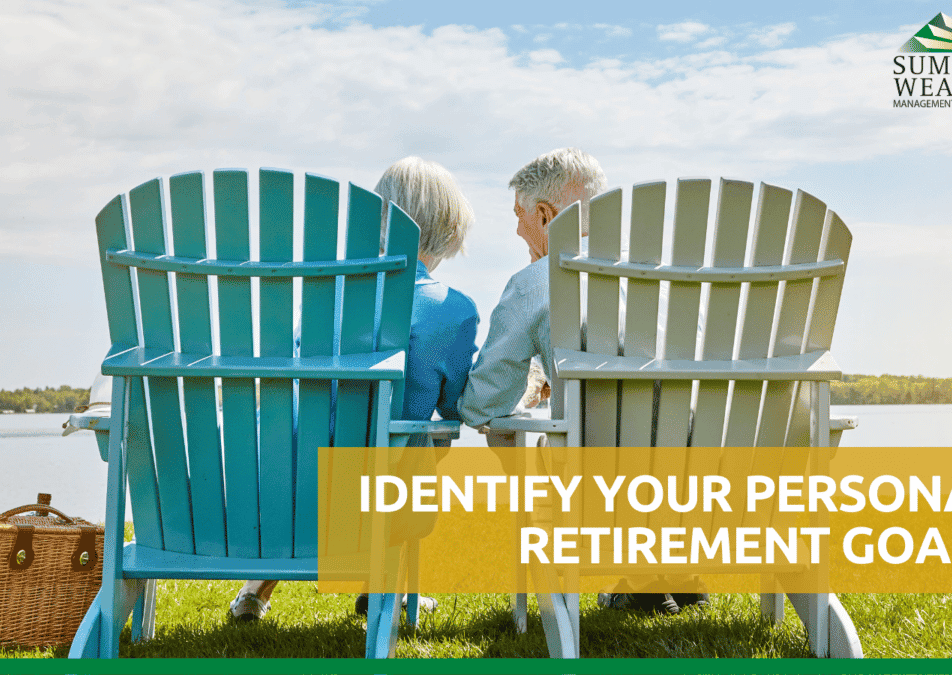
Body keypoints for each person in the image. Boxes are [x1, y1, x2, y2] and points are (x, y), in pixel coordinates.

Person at [457, 147, 707, 615]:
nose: (517, 230)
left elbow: (480, 405)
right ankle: (664, 573)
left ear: (545, 215)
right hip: (705, 477)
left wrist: (531, 384)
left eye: (519, 216)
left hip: (600, 490)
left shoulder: (535, 283)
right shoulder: (665, 275)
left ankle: (641, 574)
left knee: (517, 435)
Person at [230, 157, 480, 621]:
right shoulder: (453, 312)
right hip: (383, 503)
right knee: (417, 443)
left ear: (378, 219)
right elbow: (455, 408)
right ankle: (385, 584)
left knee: (321, 427)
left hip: (292, 486)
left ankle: (255, 590)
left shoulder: (329, 296)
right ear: (449, 228)